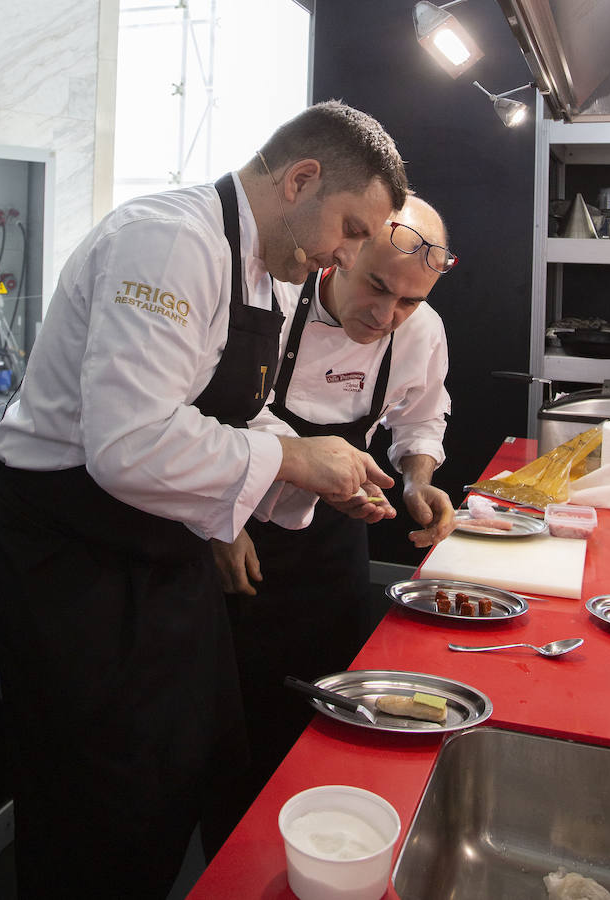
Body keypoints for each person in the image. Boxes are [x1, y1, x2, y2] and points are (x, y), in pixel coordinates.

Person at [0, 100, 408, 900]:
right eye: (353, 229)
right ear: (302, 179)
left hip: (154, 549)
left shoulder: (261, 266)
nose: (346, 256)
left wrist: (322, 471)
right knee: (99, 799)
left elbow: (223, 405)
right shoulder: (169, 243)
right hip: (73, 557)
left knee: (192, 756)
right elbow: (131, 444)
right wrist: (288, 456)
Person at [214, 195, 456, 802]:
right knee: (229, 723)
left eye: (409, 301)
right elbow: (210, 416)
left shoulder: (420, 332)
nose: (386, 314)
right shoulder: (269, 300)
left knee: (330, 703)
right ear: (342, 253)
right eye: (376, 287)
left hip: (331, 547)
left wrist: (418, 479)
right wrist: (220, 522)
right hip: (236, 529)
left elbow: (422, 419)